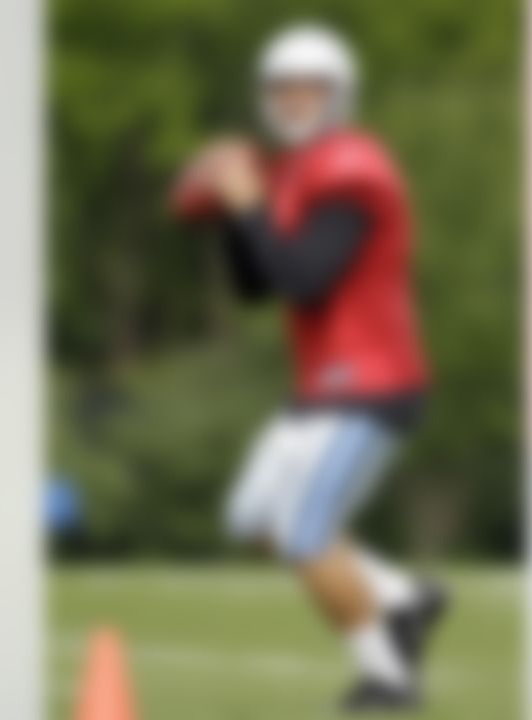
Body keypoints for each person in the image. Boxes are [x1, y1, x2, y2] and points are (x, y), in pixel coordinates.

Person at [172, 22, 448, 713]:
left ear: (340, 93)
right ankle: (403, 597)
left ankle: (389, 678)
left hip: (372, 383)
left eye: (309, 87)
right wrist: (237, 214)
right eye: (281, 88)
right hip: (322, 387)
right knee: (249, 520)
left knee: (304, 533)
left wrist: (247, 203)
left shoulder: (353, 165)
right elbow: (256, 284)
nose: (294, 99)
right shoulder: (291, 171)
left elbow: (304, 278)